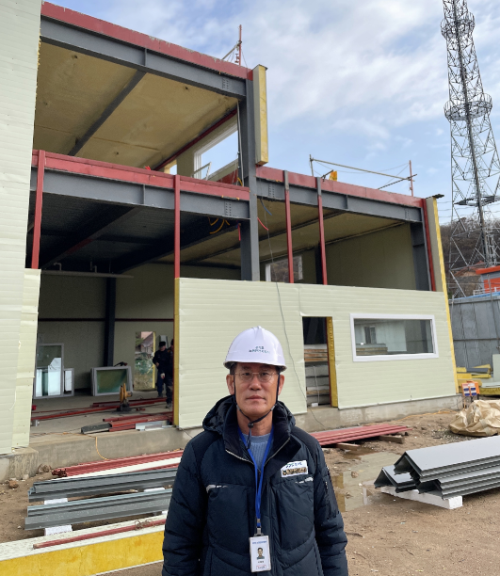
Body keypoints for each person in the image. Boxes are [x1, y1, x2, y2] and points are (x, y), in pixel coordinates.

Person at [162, 326, 348, 576]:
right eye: (246, 374)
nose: (255, 384)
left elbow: (331, 536)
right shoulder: (201, 453)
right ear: (231, 383)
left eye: (265, 374)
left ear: (279, 383)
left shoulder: (306, 450)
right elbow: (180, 543)